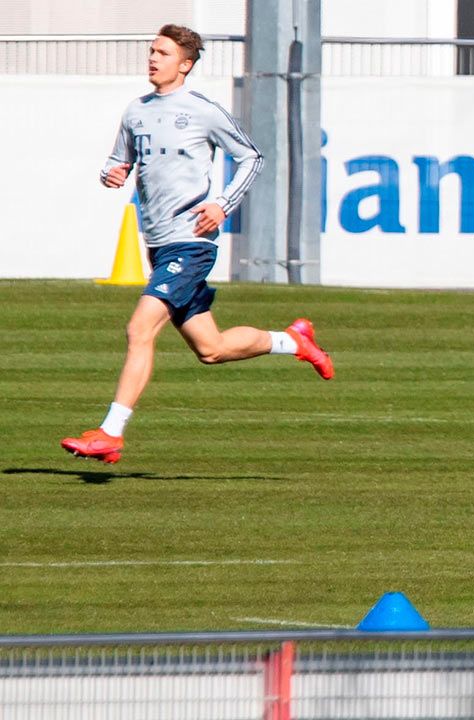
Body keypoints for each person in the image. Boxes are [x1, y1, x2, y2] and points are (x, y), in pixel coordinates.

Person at [61, 24, 333, 465]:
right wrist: (113, 173)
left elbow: (252, 157)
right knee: (212, 349)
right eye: (151, 51)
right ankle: (294, 341)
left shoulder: (202, 111)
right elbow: (118, 162)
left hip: (191, 245)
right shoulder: (136, 112)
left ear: (185, 65)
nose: (153, 58)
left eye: (163, 53)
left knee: (139, 329)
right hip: (159, 245)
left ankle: (110, 433)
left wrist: (223, 204)